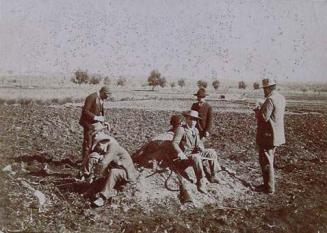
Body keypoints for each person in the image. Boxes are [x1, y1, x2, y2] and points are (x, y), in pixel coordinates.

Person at [172, 110, 221, 193]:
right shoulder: (181, 129)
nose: (193, 121)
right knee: (196, 156)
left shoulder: (196, 130)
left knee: (211, 152)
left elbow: (198, 144)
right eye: (191, 119)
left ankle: (214, 175)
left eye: (195, 119)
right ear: (186, 119)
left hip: (194, 155)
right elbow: (174, 143)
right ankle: (201, 181)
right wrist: (180, 153)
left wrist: (200, 148)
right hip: (184, 158)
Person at [254, 78, 286, 194]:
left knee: (266, 161)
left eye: (265, 88)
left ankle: (269, 188)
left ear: (268, 88)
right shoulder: (281, 98)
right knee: (270, 160)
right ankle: (268, 185)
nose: (264, 91)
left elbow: (264, 117)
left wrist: (257, 110)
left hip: (268, 136)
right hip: (277, 135)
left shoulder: (270, 99)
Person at [88, 133, 139, 207]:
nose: (98, 150)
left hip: (128, 175)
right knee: (103, 178)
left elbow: (104, 163)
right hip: (121, 173)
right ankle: (92, 190)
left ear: (103, 143)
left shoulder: (112, 147)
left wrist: (95, 175)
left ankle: (103, 198)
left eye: (97, 146)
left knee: (113, 172)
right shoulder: (108, 150)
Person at [79, 86, 111, 162]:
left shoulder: (101, 99)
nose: (108, 97)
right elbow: (85, 111)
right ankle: (84, 163)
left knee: (94, 143)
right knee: (88, 144)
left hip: (95, 124)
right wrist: (96, 118)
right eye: (107, 95)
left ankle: (90, 161)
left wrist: (104, 122)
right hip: (88, 124)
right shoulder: (91, 97)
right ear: (103, 92)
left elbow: (100, 113)